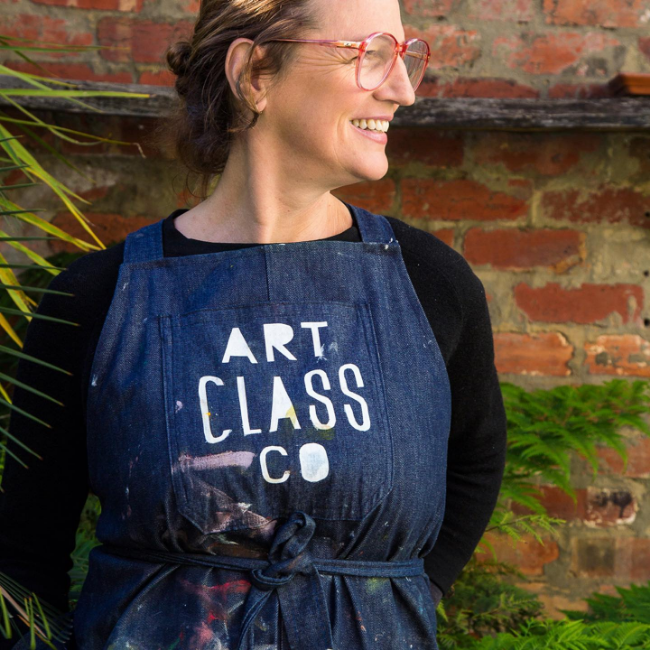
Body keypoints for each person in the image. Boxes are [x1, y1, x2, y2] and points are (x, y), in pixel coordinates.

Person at [0, 0, 508, 648]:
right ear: (256, 73)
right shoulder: (95, 299)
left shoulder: (431, 284)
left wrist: (396, 601)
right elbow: (25, 558)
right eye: (371, 54)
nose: (403, 91)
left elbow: (475, 458)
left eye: (406, 58)